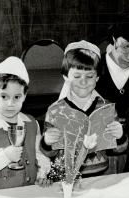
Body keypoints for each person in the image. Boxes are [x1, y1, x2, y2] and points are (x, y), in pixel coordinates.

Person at [40, 40, 123, 179]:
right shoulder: (55, 110)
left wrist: (120, 136)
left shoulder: (105, 107)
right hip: (68, 180)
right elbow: (48, 153)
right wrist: (46, 142)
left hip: (101, 176)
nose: (83, 82)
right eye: (77, 76)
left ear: (97, 77)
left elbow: (116, 149)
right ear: (66, 77)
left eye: (89, 76)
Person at [0, 56, 51, 192]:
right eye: (4, 96)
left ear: (25, 95)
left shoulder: (32, 124)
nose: (10, 104)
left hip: (30, 194)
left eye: (17, 97)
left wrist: (42, 174)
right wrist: (4, 156)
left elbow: (39, 154)